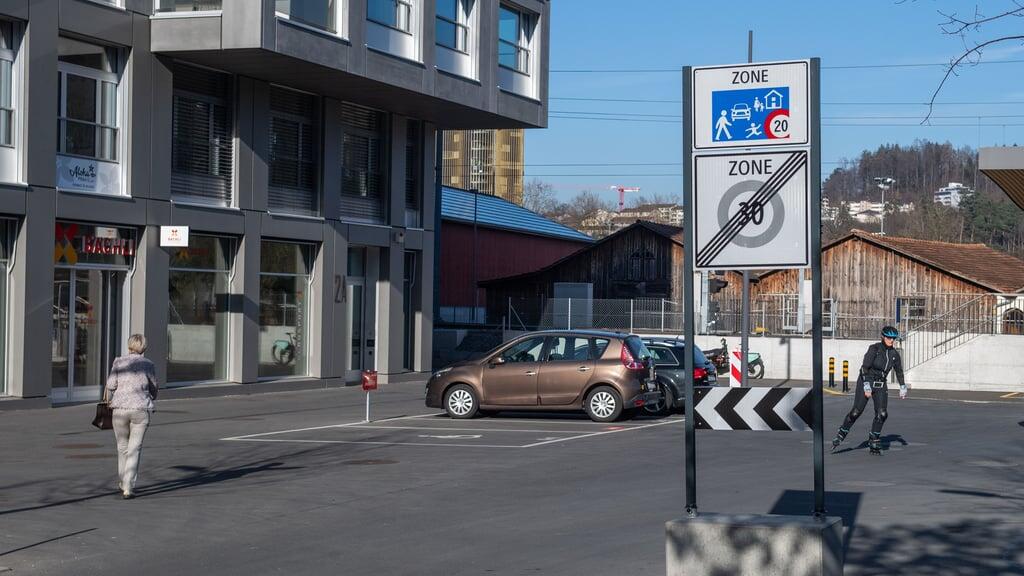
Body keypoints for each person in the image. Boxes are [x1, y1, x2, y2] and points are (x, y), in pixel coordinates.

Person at [832, 326, 908, 455]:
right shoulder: (874, 349)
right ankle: (842, 432)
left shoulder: (894, 354)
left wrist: (902, 386)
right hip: (866, 380)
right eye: (889, 338)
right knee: (856, 412)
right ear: (883, 337)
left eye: (893, 338)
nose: (891, 340)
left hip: (881, 383)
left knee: (882, 414)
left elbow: (899, 371)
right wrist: (867, 385)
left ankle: (874, 439)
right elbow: (864, 368)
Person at [106, 334, 158, 499]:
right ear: (144, 347)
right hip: (140, 409)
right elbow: (154, 387)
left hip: (119, 409)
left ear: (129, 345)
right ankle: (128, 487)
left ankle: (123, 481)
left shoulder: (119, 362)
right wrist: (151, 395)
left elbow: (110, 385)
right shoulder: (148, 364)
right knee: (135, 449)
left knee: (122, 447)